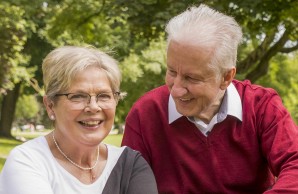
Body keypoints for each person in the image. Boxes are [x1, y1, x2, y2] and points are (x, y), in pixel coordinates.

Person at [121, 4, 298, 193]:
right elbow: (128, 186)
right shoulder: (145, 113)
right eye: (172, 71)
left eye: (191, 78)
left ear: (226, 77)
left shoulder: (262, 106)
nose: (177, 90)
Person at [0, 46, 158, 194]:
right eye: (78, 96)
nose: (93, 107)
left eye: (104, 96)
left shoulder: (130, 166)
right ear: (50, 106)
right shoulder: (28, 161)